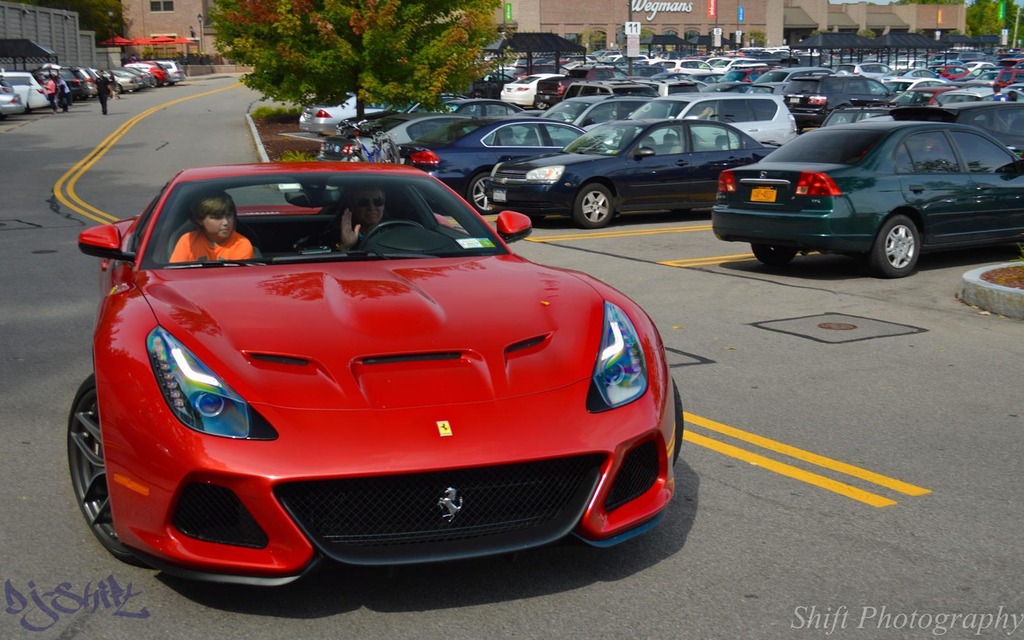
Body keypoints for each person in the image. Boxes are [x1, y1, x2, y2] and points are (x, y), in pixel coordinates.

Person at [169, 193, 254, 262]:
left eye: (229, 215)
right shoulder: (188, 241)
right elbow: (175, 274)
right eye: (217, 217)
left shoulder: (241, 245)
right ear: (200, 220)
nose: (226, 222)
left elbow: (235, 280)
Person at [335, 186, 387, 251]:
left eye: (378, 201)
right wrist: (345, 246)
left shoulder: (395, 232)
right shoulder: (337, 235)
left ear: (384, 206)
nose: (371, 207)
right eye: (363, 202)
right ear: (352, 207)